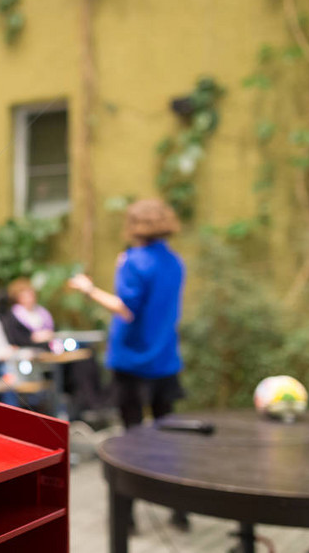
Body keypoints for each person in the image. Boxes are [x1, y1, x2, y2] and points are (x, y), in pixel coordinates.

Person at [68, 198, 187, 531]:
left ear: (134, 225)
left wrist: (88, 288)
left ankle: (128, 519)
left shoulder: (134, 261)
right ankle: (180, 512)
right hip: (165, 359)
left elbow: (126, 309)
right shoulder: (175, 262)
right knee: (169, 434)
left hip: (132, 362)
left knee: (131, 439)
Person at [1, 278, 55, 348]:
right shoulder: (14, 315)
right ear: (17, 297)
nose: (29, 298)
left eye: (31, 294)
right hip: (27, 349)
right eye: (25, 295)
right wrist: (32, 338)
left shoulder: (43, 312)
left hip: (48, 346)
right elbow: (15, 337)